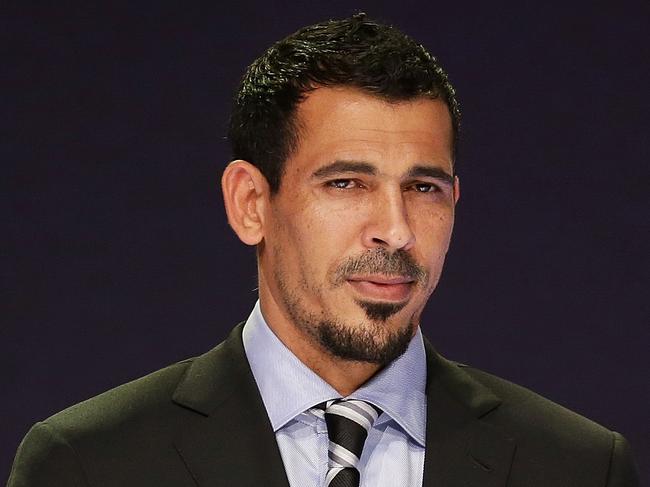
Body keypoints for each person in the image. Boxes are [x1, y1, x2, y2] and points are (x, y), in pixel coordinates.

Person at [7, 13, 640, 487]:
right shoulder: (88, 464)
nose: (395, 229)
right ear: (250, 203)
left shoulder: (577, 467)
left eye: (424, 188)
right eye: (346, 183)